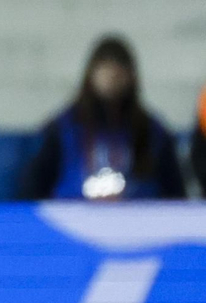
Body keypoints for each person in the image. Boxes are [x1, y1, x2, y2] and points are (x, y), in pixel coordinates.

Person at [19, 36, 184, 200]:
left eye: (119, 67)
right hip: (73, 216)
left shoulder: (152, 130)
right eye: (104, 66)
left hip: (137, 218)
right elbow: (34, 185)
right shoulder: (63, 128)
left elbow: (174, 192)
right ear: (90, 74)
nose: (112, 74)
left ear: (131, 76)